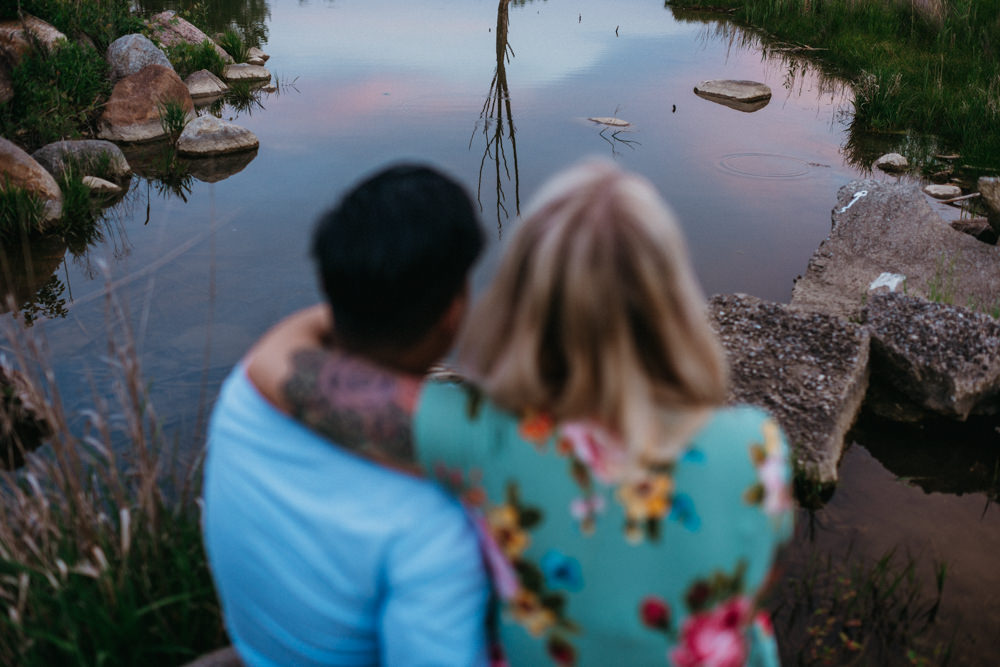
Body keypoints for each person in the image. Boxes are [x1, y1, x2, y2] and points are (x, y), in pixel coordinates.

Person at [251, 160, 794, 666]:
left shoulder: (482, 437)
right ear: (672, 298)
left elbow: (274, 365)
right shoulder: (757, 448)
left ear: (524, 301)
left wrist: (358, 303)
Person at [201, 164, 492, 666]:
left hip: (257, 649)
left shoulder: (246, 399)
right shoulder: (434, 526)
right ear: (453, 312)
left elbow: (289, 344)